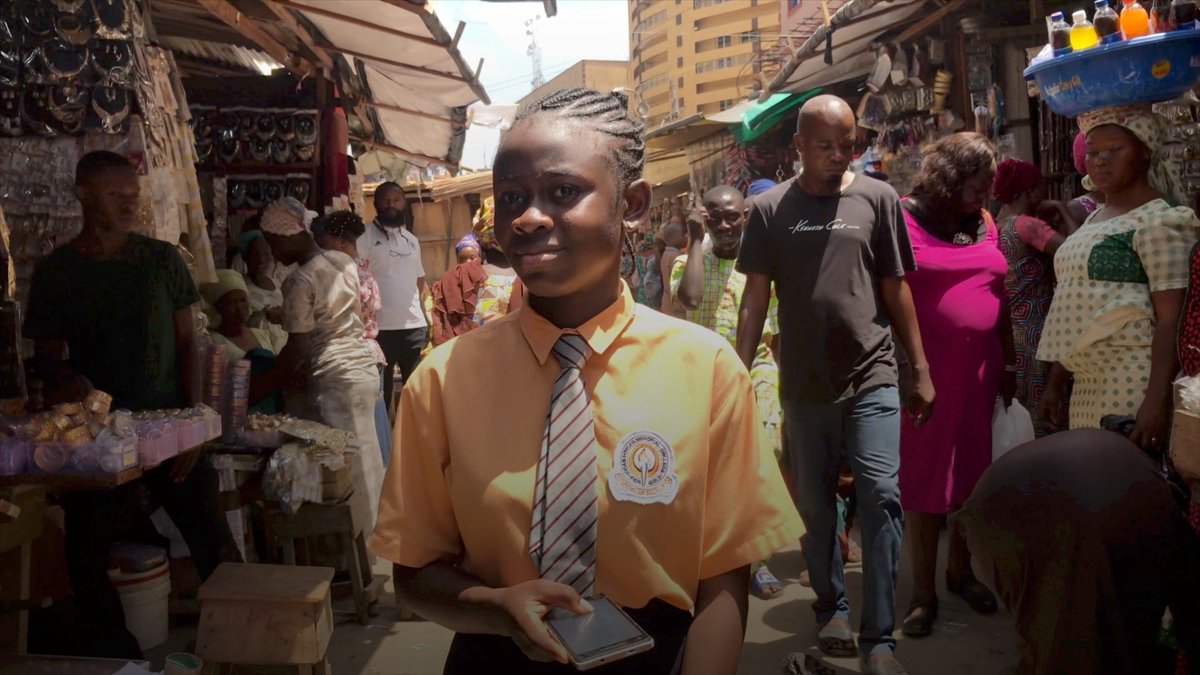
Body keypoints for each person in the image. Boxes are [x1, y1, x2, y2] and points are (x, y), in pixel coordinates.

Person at [370, 88, 803, 675]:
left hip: (657, 653)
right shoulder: (442, 381)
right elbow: (415, 572)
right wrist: (497, 607)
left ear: (634, 203)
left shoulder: (707, 370)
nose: (527, 216)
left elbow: (723, 577)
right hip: (496, 654)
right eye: (512, 198)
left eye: (564, 192)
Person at [736, 95, 934, 675]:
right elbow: (754, 300)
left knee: (881, 494)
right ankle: (832, 606)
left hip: (872, 374)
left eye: (847, 144)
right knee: (817, 508)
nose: (839, 155)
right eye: (826, 145)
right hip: (803, 383)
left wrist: (918, 368)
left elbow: (896, 287)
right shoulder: (771, 209)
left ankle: (880, 640)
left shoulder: (878, 198)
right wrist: (734, 372)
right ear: (798, 146)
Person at [24, 151, 237, 658]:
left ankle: (246, 648)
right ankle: (122, 660)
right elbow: (47, 360)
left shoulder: (162, 261)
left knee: (217, 548)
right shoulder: (57, 272)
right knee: (85, 554)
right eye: (116, 195)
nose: (128, 205)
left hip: (169, 431)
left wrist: (194, 425)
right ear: (82, 195)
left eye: (133, 197)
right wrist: (67, 379)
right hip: (99, 443)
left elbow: (191, 346)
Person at [954, 429, 1200, 674]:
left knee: (1056, 632)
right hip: (1022, 517)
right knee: (1070, 645)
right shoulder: (1154, 537)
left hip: (997, 496)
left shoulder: (1154, 506)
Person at [896, 133, 1014, 638]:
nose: (982, 197)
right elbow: (886, 295)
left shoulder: (985, 222)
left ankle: (959, 572)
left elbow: (997, 292)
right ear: (946, 178)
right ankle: (923, 594)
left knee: (971, 474)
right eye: (973, 186)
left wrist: (1008, 363)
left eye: (988, 187)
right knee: (926, 480)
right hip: (928, 374)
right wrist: (910, 369)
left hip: (982, 372)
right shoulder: (902, 217)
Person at [1038, 104, 1200, 449]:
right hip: (1085, 384)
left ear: (1143, 153)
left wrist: (1155, 404)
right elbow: (1079, 301)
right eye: (1093, 152)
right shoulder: (1094, 218)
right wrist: (1057, 382)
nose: (1100, 160)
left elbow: (1173, 319)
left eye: (1115, 150)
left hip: (1130, 380)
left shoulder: (1161, 220)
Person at [670, 185, 788, 601]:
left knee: (767, 452)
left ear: (745, 218)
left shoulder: (759, 267)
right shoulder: (688, 261)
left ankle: (756, 561)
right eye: (715, 217)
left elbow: (771, 333)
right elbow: (692, 296)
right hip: (703, 375)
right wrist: (695, 239)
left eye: (732, 217)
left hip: (754, 367)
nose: (724, 225)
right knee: (708, 469)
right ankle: (711, 556)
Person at [261, 201, 385, 524]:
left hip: (336, 378)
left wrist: (259, 387)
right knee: (367, 460)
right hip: (362, 370)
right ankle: (378, 539)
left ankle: (362, 548)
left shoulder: (301, 281)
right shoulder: (342, 262)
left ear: (288, 234)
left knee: (344, 469)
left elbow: (298, 348)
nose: (273, 252)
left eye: (273, 242)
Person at [992, 159, 1071, 437]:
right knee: (1047, 415)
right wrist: (1063, 210)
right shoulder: (1027, 225)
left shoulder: (998, 223)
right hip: (1038, 334)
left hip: (1014, 334)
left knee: (1025, 414)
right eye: (1041, 188)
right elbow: (1075, 253)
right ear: (1030, 192)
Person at [312, 210, 393, 468]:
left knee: (360, 438)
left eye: (324, 242)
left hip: (352, 357)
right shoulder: (363, 268)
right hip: (371, 353)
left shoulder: (339, 272)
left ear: (341, 242)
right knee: (375, 428)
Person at [358, 181, 428, 414]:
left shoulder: (411, 240)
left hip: (413, 328)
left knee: (415, 396)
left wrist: (426, 318)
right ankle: (386, 448)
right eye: (385, 200)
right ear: (376, 204)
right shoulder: (364, 238)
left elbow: (420, 280)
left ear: (403, 202)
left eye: (396, 200)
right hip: (379, 332)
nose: (391, 205)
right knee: (382, 397)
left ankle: (411, 447)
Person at [201, 269, 286, 414]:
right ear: (217, 307)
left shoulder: (262, 334)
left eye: (242, 300)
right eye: (231, 303)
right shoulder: (213, 342)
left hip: (272, 417)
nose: (239, 308)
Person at [238, 229, 286, 330]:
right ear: (245, 258)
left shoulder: (277, 282)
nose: (261, 259)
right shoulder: (242, 290)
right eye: (255, 255)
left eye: (265, 254)